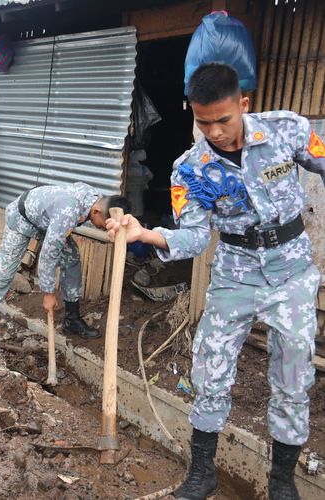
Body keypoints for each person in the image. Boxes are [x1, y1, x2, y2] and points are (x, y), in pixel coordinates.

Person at [105, 63, 325, 500]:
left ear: (243, 104)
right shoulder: (190, 169)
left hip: (292, 272)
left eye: (223, 120)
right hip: (234, 273)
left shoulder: (288, 131)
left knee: (293, 375)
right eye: (203, 123)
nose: (215, 132)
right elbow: (193, 236)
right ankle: (202, 472)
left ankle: (281, 481)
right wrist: (146, 233)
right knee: (211, 371)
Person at [0, 184, 131, 358]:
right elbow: (48, 254)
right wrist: (48, 293)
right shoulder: (69, 211)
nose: (104, 229)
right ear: (97, 211)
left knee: (71, 258)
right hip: (22, 219)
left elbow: (56, 238)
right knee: (4, 274)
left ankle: (72, 319)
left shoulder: (94, 198)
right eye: (104, 225)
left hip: (47, 222)